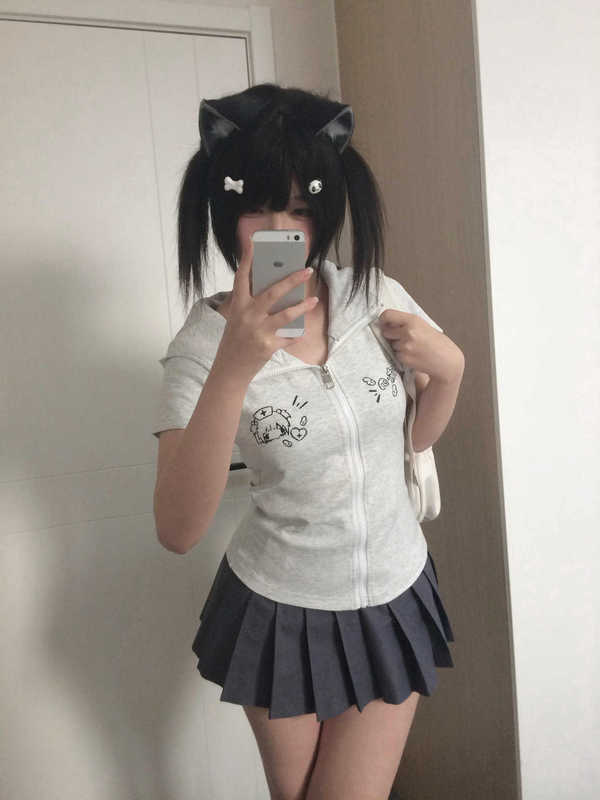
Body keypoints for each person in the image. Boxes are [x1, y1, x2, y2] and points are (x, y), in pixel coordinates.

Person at [152, 83, 464, 800]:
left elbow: (412, 438)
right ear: (222, 209)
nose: (278, 228)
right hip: (281, 608)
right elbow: (177, 529)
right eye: (257, 207)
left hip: (394, 587)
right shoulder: (200, 349)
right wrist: (234, 366)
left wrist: (450, 374)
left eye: (298, 208)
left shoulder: (375, 297)